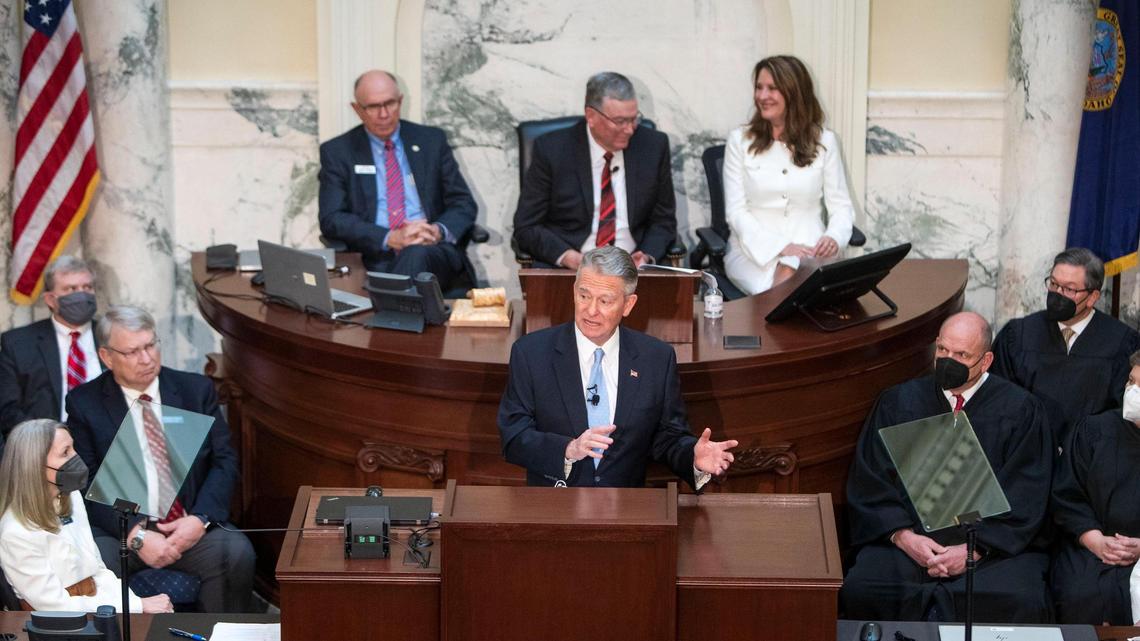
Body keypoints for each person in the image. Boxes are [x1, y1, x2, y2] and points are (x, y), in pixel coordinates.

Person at [841, 312, 1053, 623]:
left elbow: (1027, 492)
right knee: (862, 588)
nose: (948, 360)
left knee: (1021, 598)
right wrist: (903, 537)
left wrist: (973, 550)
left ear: (986, 361)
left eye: (962, 355)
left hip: (989, 546)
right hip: (910, 539)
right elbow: (871, 479)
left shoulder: (1021, 410)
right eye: (942, 350)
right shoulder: (898, 402)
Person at [66, 306, 255, 613]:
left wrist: (199, 519)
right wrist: (135, 535)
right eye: (132, 351)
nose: (146, 359)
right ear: (107, 357)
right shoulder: (85, 403)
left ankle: (222, 632)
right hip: (122, 531)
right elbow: (85, 480)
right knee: (93, 559)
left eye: (150, 345)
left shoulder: (195, 391)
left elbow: (224, 461)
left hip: (187, 523)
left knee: (236, 552)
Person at [498, 245, 737, 487]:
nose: (591, 310)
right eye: (584, 296)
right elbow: (513, 437)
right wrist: (568, 449)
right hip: (555, 502)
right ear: (574, 292)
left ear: (628, 305)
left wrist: (693, 458)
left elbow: (668, 438)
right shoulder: (531, 353)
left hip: (626, 504)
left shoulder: (655, 358)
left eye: (605, 301)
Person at [318, 69, 477, 292]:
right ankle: (397, 305)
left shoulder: (431, 141)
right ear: (357, 109)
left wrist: (437, 231)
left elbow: (463, 203)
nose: (384, 114)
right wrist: (389, 237)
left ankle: (389, 304)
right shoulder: (339, 151)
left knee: (416, 253)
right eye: (373, 107)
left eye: (390, 103)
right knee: (407, 263)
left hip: (433, 252)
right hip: (375, 255)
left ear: (400, 101)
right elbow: (332, 218)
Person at [0, 419, 172, 613]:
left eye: (73, 448)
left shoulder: (71, 496)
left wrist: (135, 604)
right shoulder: (15, 532)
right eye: (65, 452)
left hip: (96, 605)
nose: (76, 457)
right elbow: (55, 605)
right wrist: (138, 606)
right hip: (57, 622)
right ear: (35, 466)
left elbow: (97, 569)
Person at [513, 71, 677, 269]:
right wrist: (570, 258)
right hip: (571, 269)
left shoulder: (653, 146)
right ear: (591, 116)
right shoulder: (552, 150)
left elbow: (663, 221)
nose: (629, 129)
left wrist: (646, 257)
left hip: (633, 270)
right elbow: (527, 227)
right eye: (620, 121)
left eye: (634, 119)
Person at [722, 55, 854, 295]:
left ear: (794, 92)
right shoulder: (739, 140)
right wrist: (781, 247)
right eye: (759, 87)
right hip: (753, 252)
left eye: (772, 88)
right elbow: (736, 212)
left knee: (799, 279)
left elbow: (841, 208)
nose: (762, 96)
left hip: (812, 249)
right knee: (789, 282)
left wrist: (834, 237)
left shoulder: (825, 141)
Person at [992, 247, 1140, 448]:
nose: (1057, 294)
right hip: (1027, 453)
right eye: (1054, 284)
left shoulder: (1122, 343)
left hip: (1090, 455)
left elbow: (1123, 412)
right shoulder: (1018, 335)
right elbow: (1000, 399)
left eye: (1069, 289)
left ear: (1093, 297)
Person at [1050, 350, 1140, 624]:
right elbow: (1067, 495)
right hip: (1091, 544)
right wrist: (1096, 541)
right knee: (1080, 594)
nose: (1133, 392)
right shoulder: (1095, 430)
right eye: (1131, 381)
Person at [0, 256, 100, 436]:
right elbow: (8, 410)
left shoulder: (112, 336)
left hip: (107, 442)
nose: (82, 295)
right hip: (44, 443)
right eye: (71, 289)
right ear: (50, 300)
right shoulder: (18, 344)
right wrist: (47, 440)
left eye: (87, 287)